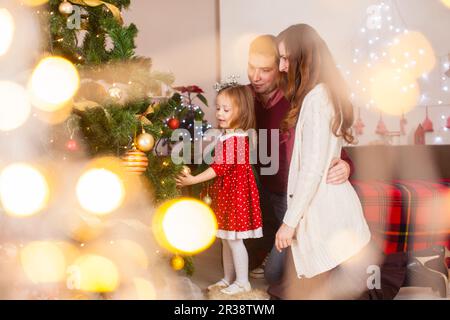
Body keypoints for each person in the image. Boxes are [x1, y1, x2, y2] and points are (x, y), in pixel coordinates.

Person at [268, 23, 449, 300]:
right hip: (323, 204)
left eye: (285, 58)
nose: (281, 67)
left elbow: (313, 167)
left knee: (347, 283)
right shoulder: (318, 95)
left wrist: (289, 223)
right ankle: (417, 265)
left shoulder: (318, 99)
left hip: (324, 206)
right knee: (326, 279)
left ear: (302, 58)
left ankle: (417, 267)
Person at [246, 35, 354, 282]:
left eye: (265, 70)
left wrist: (347, 165)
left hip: (293, 197)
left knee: (276, 276)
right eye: (251, 67)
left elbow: (325, 150)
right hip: (263, 191)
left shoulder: (298, 100)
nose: (256, 76)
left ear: (282, 67)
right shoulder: (245, 99)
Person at [176, 85, 263, 295]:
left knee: (234, 240)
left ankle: (243, 281)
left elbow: (219, 168)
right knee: (225, 239)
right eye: (218, 108)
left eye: (226, 109)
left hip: (236, 197)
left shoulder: (238, 138)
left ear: (241, 112)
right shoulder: (227, 136)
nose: (219, 114)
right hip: (227, 195)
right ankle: (228, 278)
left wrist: (194, 180)